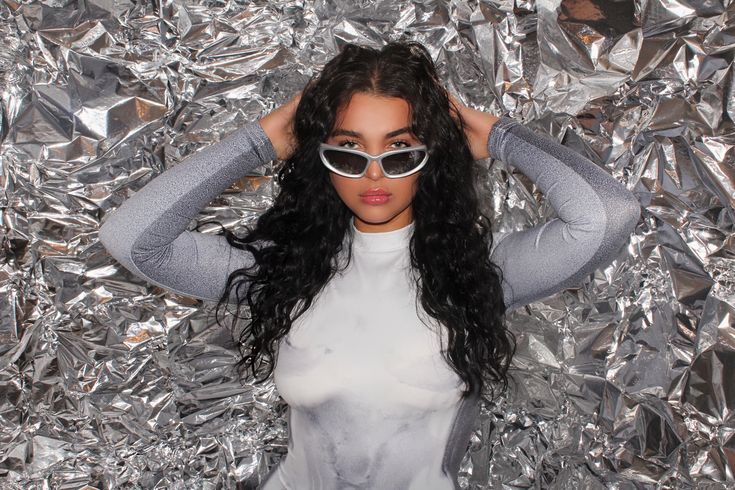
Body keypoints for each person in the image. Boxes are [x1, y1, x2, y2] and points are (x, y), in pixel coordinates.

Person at [99, 41, 641, 489]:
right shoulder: (285, 273)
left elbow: (608, 216)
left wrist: (493, 133)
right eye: (349, 151)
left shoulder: (483, 274)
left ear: (432, 156)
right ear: (319, 157)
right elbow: (131, 239)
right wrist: (260, 141)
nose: (374, 175)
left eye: (401, 150)